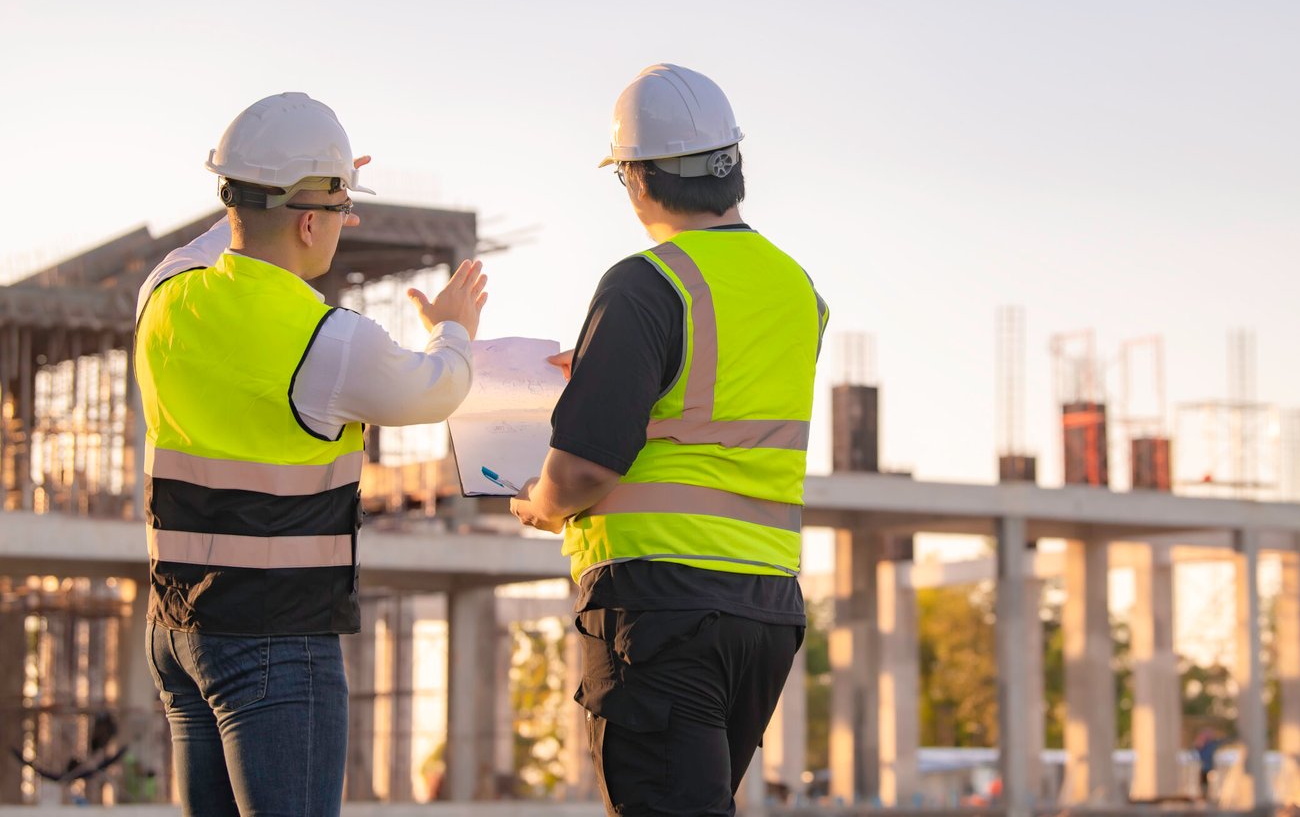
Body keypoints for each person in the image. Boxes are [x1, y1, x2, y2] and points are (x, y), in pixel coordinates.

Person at [134, 92, 489, 816]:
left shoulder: (164, 296)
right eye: (339, 209)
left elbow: (226, 231)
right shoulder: (328, 342)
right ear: (307, 222)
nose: (343, 221)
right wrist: (450, 330)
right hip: (274, 641)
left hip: (177, 632)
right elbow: (436, 390)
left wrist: (300, 180)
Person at [511, 64, 827, 816]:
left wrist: (543, 506)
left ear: (636, 180)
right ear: (734, 166)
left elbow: (584, 467)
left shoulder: (644, 284)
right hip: (765, 609)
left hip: (660, 606)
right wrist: (611, 368)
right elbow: (715, 404)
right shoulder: (799, 292)